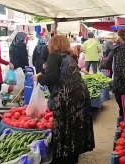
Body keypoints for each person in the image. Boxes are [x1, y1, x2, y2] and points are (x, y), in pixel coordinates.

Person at [33, 35, 95, 164]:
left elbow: (51, 78)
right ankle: (73, 156)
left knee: (65, 126)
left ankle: (64, 157)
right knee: (76, 125)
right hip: (80, 95)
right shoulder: (69, 56)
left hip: (67, 98)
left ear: (53, 45)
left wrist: (38, 77)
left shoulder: (54, 56)